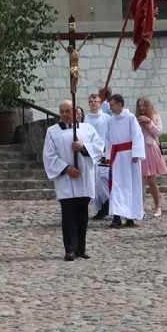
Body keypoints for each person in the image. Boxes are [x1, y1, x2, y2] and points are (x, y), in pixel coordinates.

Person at [43, 100, 105, 261]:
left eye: (68, 111)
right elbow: (49, 156)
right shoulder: (52, 131)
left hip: (83, 178)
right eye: (62, 111)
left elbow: (99, 147)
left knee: (82, 214)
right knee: (68, 214)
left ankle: (81, 248)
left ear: (74, 111)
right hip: (66, 179)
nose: (64, 114)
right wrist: (66, 168)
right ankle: (70, 248)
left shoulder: (87, 129)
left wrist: (83, 147)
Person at [105, 94, 145, 228]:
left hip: (129, 157)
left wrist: (136, 153)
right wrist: (107, 159)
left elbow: (137, 136)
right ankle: (116, 216)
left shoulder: (130, 118)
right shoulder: (110, 121)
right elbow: (108, 140)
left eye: (112, 105)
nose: (110, 108)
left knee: (131, 185)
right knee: (117, 186)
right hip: (117, 158)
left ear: (119, 104)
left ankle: (130, 217)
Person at [136, 96, 167, 217]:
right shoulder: (135, 119)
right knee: (140, 180)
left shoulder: (155, 117)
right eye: (139, 106)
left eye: (143, 105)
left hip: (150, 148)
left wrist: (149, 122)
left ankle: (157, 206)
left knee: (151, 180)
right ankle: (141, 208)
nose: (141, 108)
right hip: (139, 149)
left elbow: (158, 132)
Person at [84, 93, 111, 220]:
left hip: (104, 154)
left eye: (96, 101)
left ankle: (108, 202)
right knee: (94, 181)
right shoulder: (86, 119)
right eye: (91, 101)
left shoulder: (106, 118)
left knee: (103, 178)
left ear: (100, 103)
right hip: (91, 154)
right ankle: (101, 207)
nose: (93, 103)